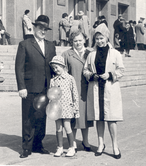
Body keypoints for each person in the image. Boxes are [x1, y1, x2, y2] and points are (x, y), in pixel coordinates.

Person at [15, 15, 56, 158]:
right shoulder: (25, 44)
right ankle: (26, 147)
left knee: (41, 117)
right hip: (30, 88)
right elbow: (19, 68)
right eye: (40, 28)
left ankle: (38, 144)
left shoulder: (51, 45)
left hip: (45, 88)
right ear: (34, 28)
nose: (43, 31)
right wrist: (21, 87)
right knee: (28, 118)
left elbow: (53, 67)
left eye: (45, 29)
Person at [83, 23, 124, 159]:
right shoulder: (91, 54)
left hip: (109, 88)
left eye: (102, 38)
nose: (99, 41)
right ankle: (101, 144)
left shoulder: (115, 53)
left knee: (111, 119)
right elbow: (85, 70)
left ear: (107, 38)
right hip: (96, 88)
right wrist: (91, 75)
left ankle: (115, 146)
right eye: (97, 39)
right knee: (99, 118)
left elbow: (121, 70)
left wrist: (111, 75)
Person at [62, 30, 94, 152]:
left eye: (80, 40)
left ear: (85, 40)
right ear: (71, 42)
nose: (78, 43)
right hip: (72, 91)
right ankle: (73, 142)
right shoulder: (67, 54)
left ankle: (85, 141)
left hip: (87, 90)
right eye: (75, 41)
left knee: (85, 116)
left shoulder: (90, 53)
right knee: (73, 117)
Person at [49, 56, 79, 157]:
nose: (55, 70)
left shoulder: (70, 78)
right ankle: (60, 147)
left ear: (63, 66)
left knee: (67, 126)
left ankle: (71, 147)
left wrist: (76, 108)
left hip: (67, 106)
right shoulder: (53, 80)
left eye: (57, 67)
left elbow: (75, 93)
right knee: (58, 128)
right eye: (53, 68)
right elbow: (51, 94)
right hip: (57, 107)